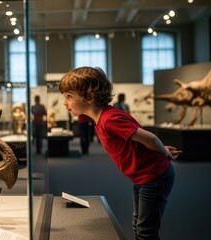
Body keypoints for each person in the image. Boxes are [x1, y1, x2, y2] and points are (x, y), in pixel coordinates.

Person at [59, 66, 182, 240]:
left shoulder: (110, 119)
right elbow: (142, 140)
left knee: (146, 230)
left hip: (154, 176)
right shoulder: (102, 119)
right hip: (143, 177)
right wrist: (161, 150)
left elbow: (150, 138)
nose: (65, 102)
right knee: (138, 224)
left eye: (69, 96)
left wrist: (165, 153)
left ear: (89, 95)